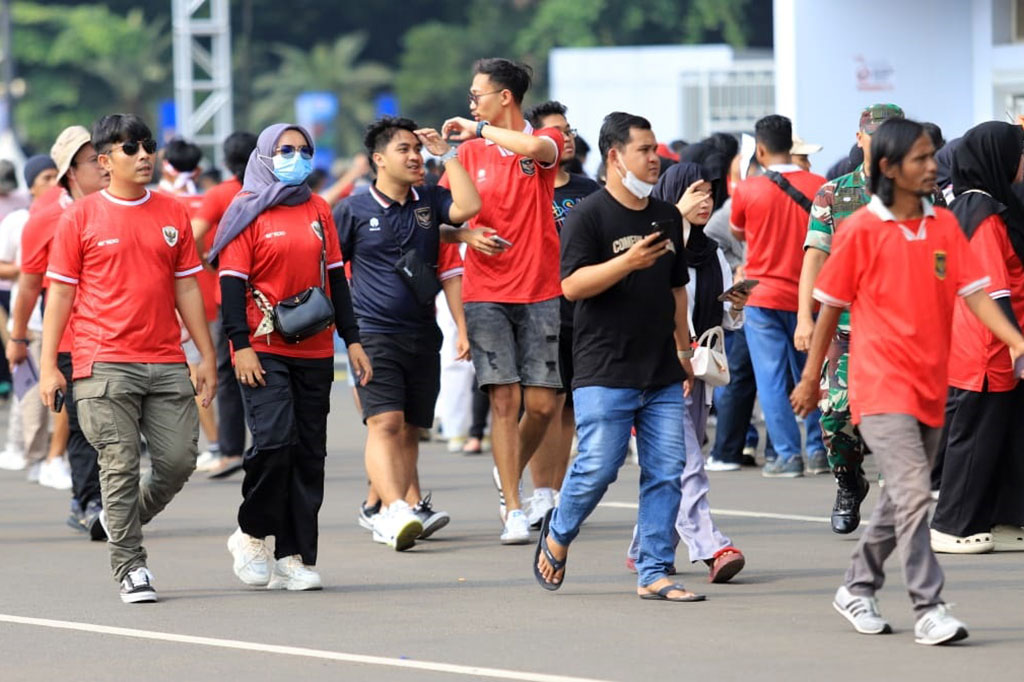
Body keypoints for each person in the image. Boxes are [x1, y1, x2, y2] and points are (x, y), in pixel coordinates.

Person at [791, 117, 1024, 646]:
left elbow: (976, 291)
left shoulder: (943, 225)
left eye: (932, 156)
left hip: (930, 386)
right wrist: (810, 378)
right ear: (890, 167)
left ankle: (857, 586)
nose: (932, 165)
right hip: (879, 387)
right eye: (920, 158)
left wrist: (1014, 340)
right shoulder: (860, 230)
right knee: (916, 490)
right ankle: (929, 606)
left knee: (902, 496)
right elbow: (829, 308)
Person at [39, 114, 216, 604]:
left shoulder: (172, 211)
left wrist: (205, 354)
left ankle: (118, 520)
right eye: (130, 148)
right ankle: (130, 565)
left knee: (178, 462)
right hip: (102, 362)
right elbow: (59, 295)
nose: (144, 156)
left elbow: (187, 286)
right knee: (118, 463)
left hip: (165, 359)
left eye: (148, 146)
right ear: (105, 160)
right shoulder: (79, 217)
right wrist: (49, 365)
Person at [534, 111, 702, 602]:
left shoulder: (666, 215)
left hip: (661, 368)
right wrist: (627, 261)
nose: (655, 159)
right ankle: (559, 531)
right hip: (604, 367)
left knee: (666, 470)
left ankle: (654, 570)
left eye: (655, 150)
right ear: (615, 156)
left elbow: (677, 289)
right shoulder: (588, 215)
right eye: (644, 151)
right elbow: (571, 286)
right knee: (598, 467)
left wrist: (684, 348)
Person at [210, 123, 371, 590]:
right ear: (265, 155)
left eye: (304, 150)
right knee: (274, 442)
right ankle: (251, 534)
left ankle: (294, 556)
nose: (296, 157)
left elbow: (336, 278)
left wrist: (353, 339)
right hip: (262, 346)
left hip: (315, 345)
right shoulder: (246, 210)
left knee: (308, 453)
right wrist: (240, 345)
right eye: (286, 150)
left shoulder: (318, 207)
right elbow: (231, 285)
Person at [336, 116, 479, 549]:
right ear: (379, 159)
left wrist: (447, 154)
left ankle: (400, 506)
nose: (415, 157)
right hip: (372, 333)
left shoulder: (429, 200)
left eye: (417, 149)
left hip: (422, 332)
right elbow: (330, 271)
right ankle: (391, 509)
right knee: (384, 421)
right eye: (404, 149)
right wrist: (347, 334)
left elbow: (468, 206)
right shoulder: (353, 210)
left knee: (412, 427)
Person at [439, 58, 564, 544]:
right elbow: (439, 222)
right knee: (504, 399)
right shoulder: (468, 156)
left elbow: (532, 148)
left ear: (504, 97)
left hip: (541, 289)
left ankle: (506, 468)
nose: (472, 103)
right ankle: (514, 506)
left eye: (478, 95)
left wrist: (476, 128)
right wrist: (465, 235)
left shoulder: (543, 141)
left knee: (544, 405)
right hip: (486, 292)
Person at [624, 171, 748, 583]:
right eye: (696, 193)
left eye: (710, 194)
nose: (705, 201)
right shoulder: (651, 246)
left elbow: (725, 319)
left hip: (700, 369)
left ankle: (646, 546)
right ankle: (712, 546)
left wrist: (736, 303)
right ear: (674, 196)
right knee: (687, 463)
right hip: (658, 369)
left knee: (671, 465)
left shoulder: (711, 252)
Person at [794, 104, 904, 534]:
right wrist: (805, 318)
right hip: (845, 328)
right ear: (860, 139)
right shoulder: (834, 194)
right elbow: (815, 256)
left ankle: (896, 499)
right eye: (875, 136)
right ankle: (848, 480)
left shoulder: (920, 193)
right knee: (836, 413)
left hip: (901, 330)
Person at [7, 125, 108, 536]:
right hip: (70, 336)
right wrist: (17, 339)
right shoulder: (46, 217)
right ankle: (89, 501)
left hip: (122, 335)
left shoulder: (122, 205)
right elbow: (29, 285)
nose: (104, 166)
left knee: (117, 424)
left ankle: (103, 499)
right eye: (94, 161)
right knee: (83, 422)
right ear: (70, 171)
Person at [930, 121, 1024, 553]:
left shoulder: (975, 205)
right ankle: (953, 525)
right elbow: (991, 288)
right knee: (975, 438)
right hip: (987, 345)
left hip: (991, 340)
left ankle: (1001, 517)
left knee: (1002, 436)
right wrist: (1015, 341)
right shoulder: (981, 211)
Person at [731, 114, 827, 478]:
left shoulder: (748, 189)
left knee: (770, 379)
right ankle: (818, 449)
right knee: (812, 371)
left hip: (764, 297)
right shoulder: (820, 185)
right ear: (792, 145)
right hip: (811, 298)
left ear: (760, 149)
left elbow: (738, 232)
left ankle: (787, 455)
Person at [524, 100, 600, 528]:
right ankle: (537, 493)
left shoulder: (589, 190)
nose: (566, 138)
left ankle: (555, 495)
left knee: (568, 406)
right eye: (556, 131)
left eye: (568, 130)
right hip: (539, 307)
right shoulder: (527, 186)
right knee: (543, 405)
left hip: (584, 311)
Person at [192, 131, 258, 479]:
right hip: (272, 297)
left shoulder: (220, 194)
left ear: (227, 161)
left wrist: (209, 261)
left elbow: (192, 234)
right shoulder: (273, 191)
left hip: (230, 297)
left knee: (229, 374)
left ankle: (231, 450)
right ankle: (269, 447)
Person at [159, 138, 223, 470]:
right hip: (214, 296)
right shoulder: (210, 203)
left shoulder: (162, 205)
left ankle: (216, 444)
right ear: (197, 169)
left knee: (196, 374)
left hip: (180, 303)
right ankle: (222, 442)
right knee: (216, 371)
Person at [0, 155, 59, 486]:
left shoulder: (71, 213)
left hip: (66, 321)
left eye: (56, 177)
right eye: (45, 178)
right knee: (33, 398)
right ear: (32, 186)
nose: (52, 184)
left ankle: (57, 457)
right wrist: (29, 270)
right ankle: (36, 458)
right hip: (32, 323)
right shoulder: (19, 220)